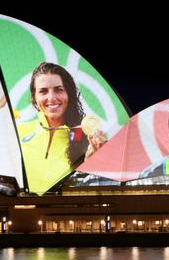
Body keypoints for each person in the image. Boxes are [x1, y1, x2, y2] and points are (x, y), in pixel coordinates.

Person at [17, 62, 107, 194]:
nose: (51, 98)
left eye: (58, 90)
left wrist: (92, 164)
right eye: (43, 91)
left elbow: (92, 191)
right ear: (34, 98)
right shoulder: (19, 132)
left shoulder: (88, 139)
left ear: (69, 95)